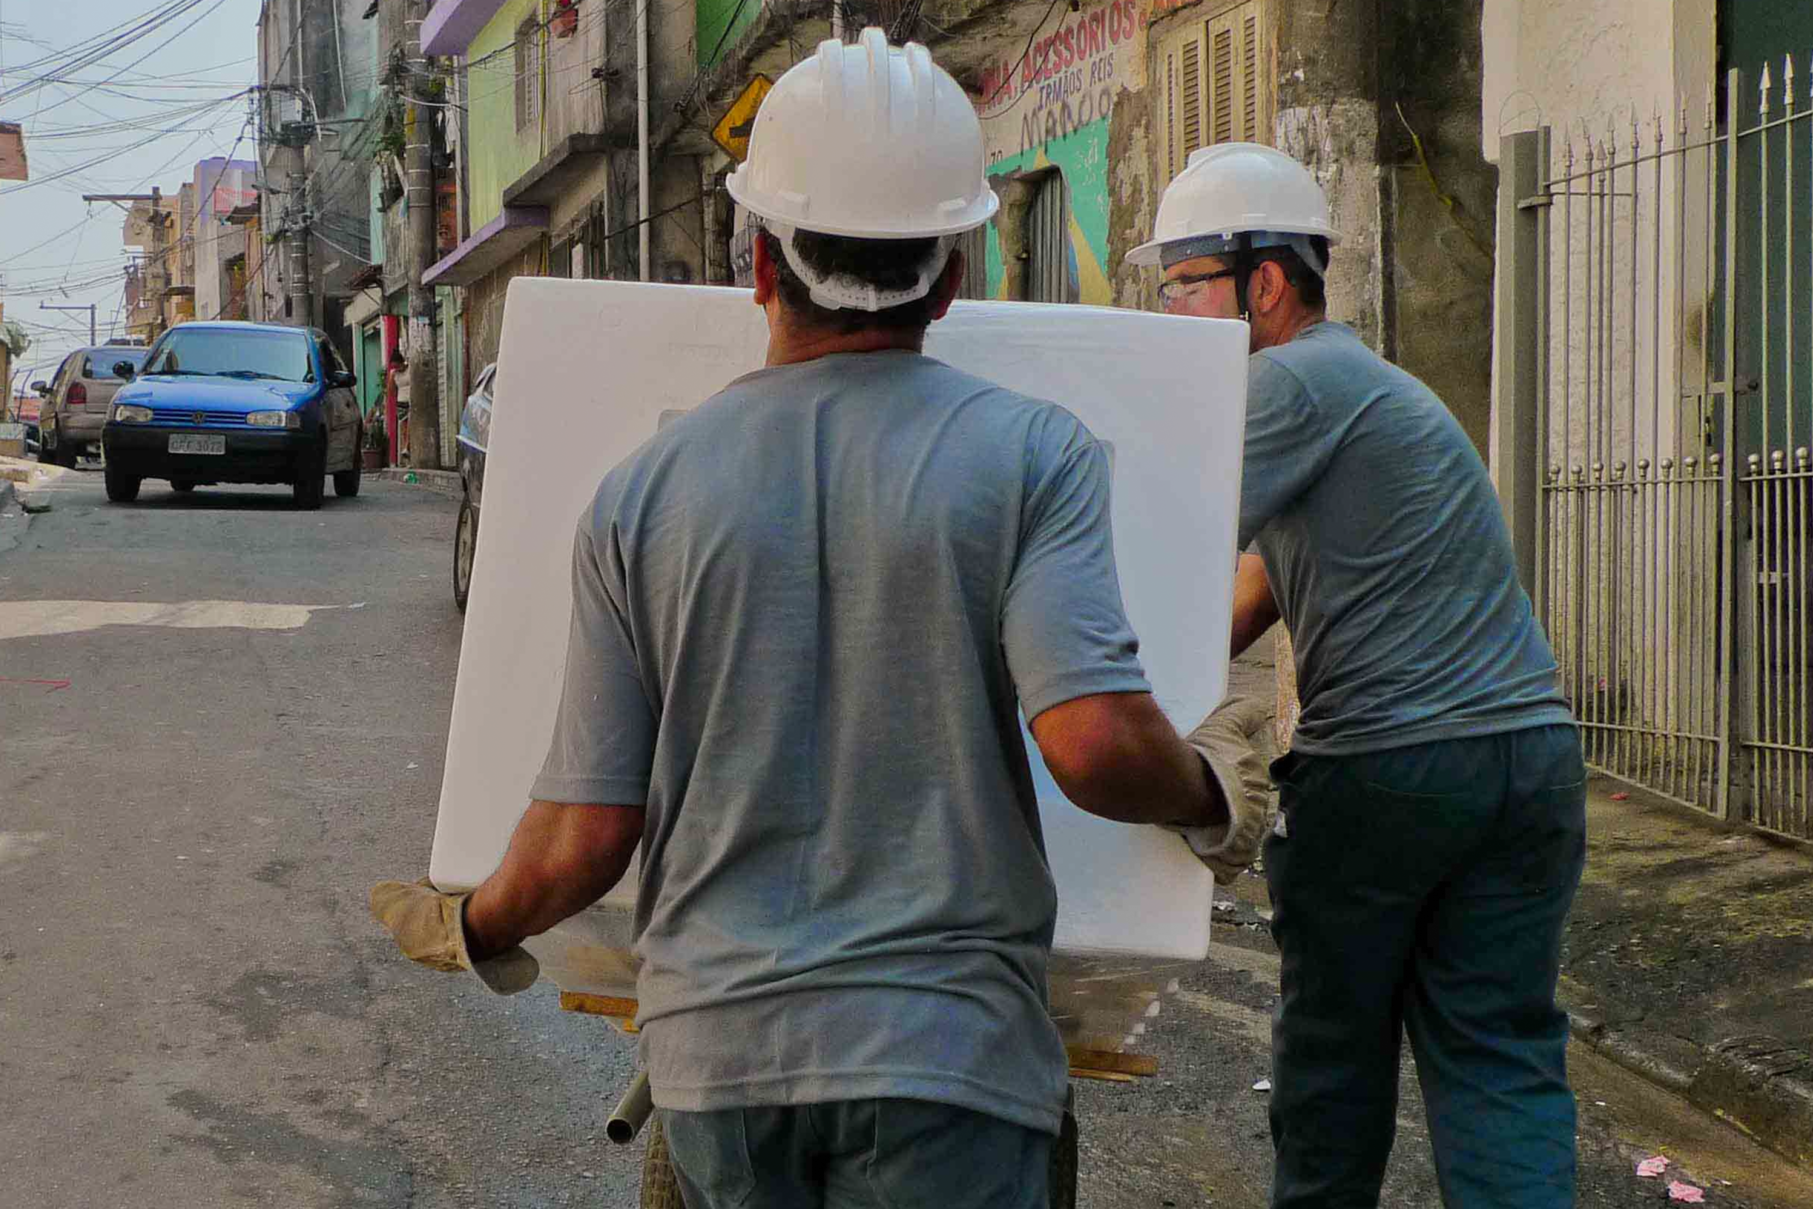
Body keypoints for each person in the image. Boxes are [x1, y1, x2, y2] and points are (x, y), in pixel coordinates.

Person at [372, 30, 1268, 1207]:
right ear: (953, 274)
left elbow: (589, 832)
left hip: (721, 1068)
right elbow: (1093, 747)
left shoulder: (644, 493)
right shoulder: (1031, 455)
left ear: (757, 265)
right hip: (953, 1065)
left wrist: (473, 924)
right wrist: (1215, 791)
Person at [1133, 142, 1583, 1209]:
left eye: (1182, 288)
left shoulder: (1286, 382)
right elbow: (1248, 589)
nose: (1170, 315)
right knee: (1498, 1064)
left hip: (1392, 769)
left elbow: (1162, 549)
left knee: (1332, 1067)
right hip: (1529, 763)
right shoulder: (1362, 387)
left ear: (1266, 284)